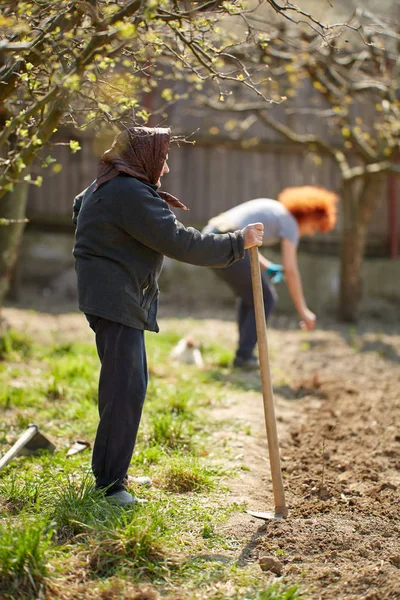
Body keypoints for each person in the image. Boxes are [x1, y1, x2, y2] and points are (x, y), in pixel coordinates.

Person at [72, 126, 264, 506]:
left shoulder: (109, 186)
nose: (168, 168)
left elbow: (79, 207)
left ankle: (113, 473)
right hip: (115, 296)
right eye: (164, 157)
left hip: (111, 295)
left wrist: (100, 247)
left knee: (127, 386)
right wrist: (235, 242)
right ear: (144, 156)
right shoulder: (128, 191)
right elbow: (179, 241)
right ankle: (109, 486)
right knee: (124, 390)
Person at [202, 186, 338, 369]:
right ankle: (244, 356)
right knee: (265, 298)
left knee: (250, 296)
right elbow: (291, 270)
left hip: (211, 239)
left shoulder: (275, 209)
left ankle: (244, 354)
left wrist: (268, 267)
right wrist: (303, 311)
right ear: (307, 214)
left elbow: (246, 244)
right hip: (225, 241)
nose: (311, 232)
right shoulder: (290, 223)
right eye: (314, 226)